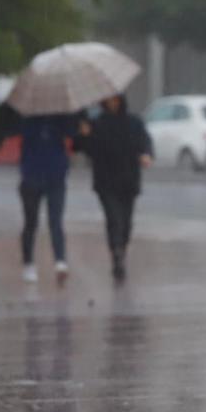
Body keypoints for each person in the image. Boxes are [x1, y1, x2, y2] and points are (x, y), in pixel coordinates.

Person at [0, 102, 82, 284]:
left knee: (55, 220)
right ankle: (29, 263)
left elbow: (74, 133)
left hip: (55, 177)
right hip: (32, 178)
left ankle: (60, 261)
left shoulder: (60, 117)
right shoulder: (26, 118)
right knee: (31, 222)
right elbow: (10, 130)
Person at [74, 94, 154, 280]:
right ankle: (116, 253)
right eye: (109, 100)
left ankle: (121, 249)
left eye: (116, 99)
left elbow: (144, 141)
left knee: (126, 222)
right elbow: (84, 149)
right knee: (113, 218)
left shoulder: (133, 122)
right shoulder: (96, 123)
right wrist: (84, 135)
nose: (113, 103)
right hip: (106, 181)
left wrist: (146, 154)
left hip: (128, 180)